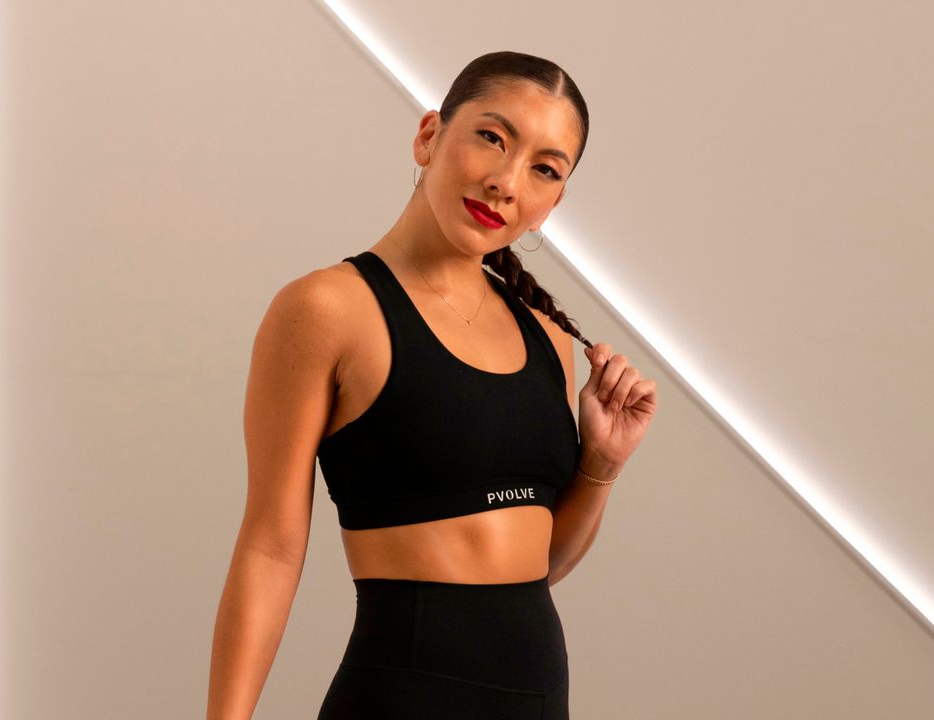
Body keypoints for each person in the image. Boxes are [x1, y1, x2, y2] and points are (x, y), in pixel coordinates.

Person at [207, 50, 657, 719]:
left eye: (543, 169)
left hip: (537, 700)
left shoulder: (546, 337)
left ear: (552, 203)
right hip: (402, 699)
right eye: (492, 137)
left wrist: (600, 465)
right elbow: (271, 547)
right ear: (428, 136)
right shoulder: (327, 309)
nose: (507, 181)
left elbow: (533, 565)